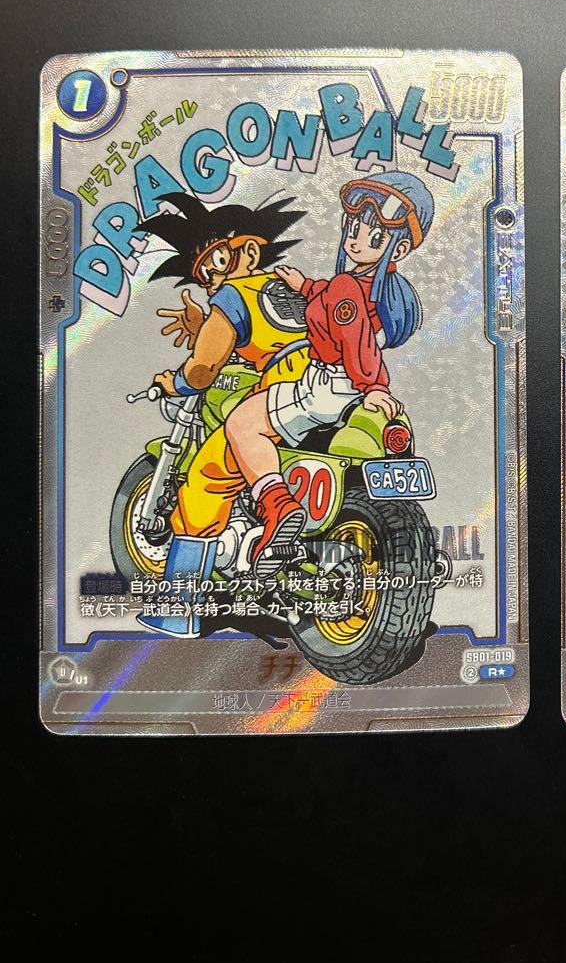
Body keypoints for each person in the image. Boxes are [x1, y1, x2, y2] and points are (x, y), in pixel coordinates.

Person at [224, 172, 433, 576]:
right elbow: (344, 303)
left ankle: (277, 506)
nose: (357, 240)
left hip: (328, 387)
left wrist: (372, 385)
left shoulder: (345, 288)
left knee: (242, 424)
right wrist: (305, 286)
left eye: (375, 236)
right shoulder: (378, 286)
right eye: (354, 228)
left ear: (399, 246)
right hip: (348, 388)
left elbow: (356, 338)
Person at [136, 192, 309, 634]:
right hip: (334, 390)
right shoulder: (295, 287)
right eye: (204, 275)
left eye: (216, 260)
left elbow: (202, 370)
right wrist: (207, 329)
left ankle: (177, 612)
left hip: (281, 392)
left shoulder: (233, 295)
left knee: (204, 482)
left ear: (249, 251)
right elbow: (267, 340)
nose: (212, 279)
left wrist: (173, 381)